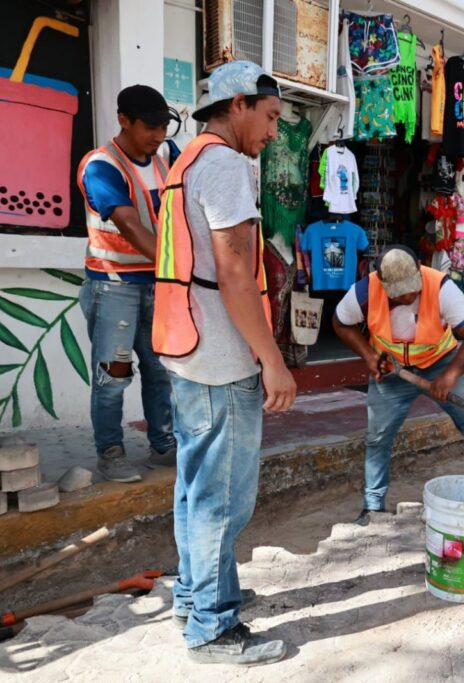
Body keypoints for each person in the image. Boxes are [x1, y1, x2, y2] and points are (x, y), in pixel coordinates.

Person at [152, 61, 297, 666]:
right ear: (237, 105)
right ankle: (212, 629)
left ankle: (197, 596)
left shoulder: (184, 161)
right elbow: (237, 275)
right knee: (223, 497)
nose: (272, 133)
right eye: (268, 118)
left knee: (194, 485)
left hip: (184, 347)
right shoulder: (228, 167)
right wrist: (273, 361)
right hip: (219, 356)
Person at [332, 245, 464, 526]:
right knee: (377, 438)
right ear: (381, 281)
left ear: (419, 267)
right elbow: (340, 323)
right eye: (399, 292)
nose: (408, 296)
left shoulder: (442, 288)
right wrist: (369, 356)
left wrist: (451, 375)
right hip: (393, 372)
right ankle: (372, 507)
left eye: (412, 288)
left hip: (442, 362)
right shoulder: (363, 292)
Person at [76, 85, 180, 482]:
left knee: (160, 371)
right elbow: (130, 225)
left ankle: (163, 446)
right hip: (113, 285)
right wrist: (181, 267)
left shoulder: (165, 157)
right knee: (113, 376)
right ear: (123, 120)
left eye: (164, 127)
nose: (158, 135)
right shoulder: (101, 166)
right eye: (151, 127)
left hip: (155, 284)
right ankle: (111, 452)